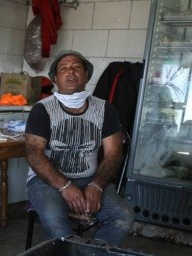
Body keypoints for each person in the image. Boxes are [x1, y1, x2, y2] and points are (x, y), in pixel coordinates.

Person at [24, 51, 134, 245]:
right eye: (63, 69)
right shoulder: (42, 109)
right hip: (46, 181)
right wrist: (65, 186)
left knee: (122, 217)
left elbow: (114, 153)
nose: (70, 72)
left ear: (86, 75)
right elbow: (34, 155)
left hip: (90, 179)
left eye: (76, 67)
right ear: (56, 79)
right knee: (56, 223)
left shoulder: (105, 109)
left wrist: (97, 185)